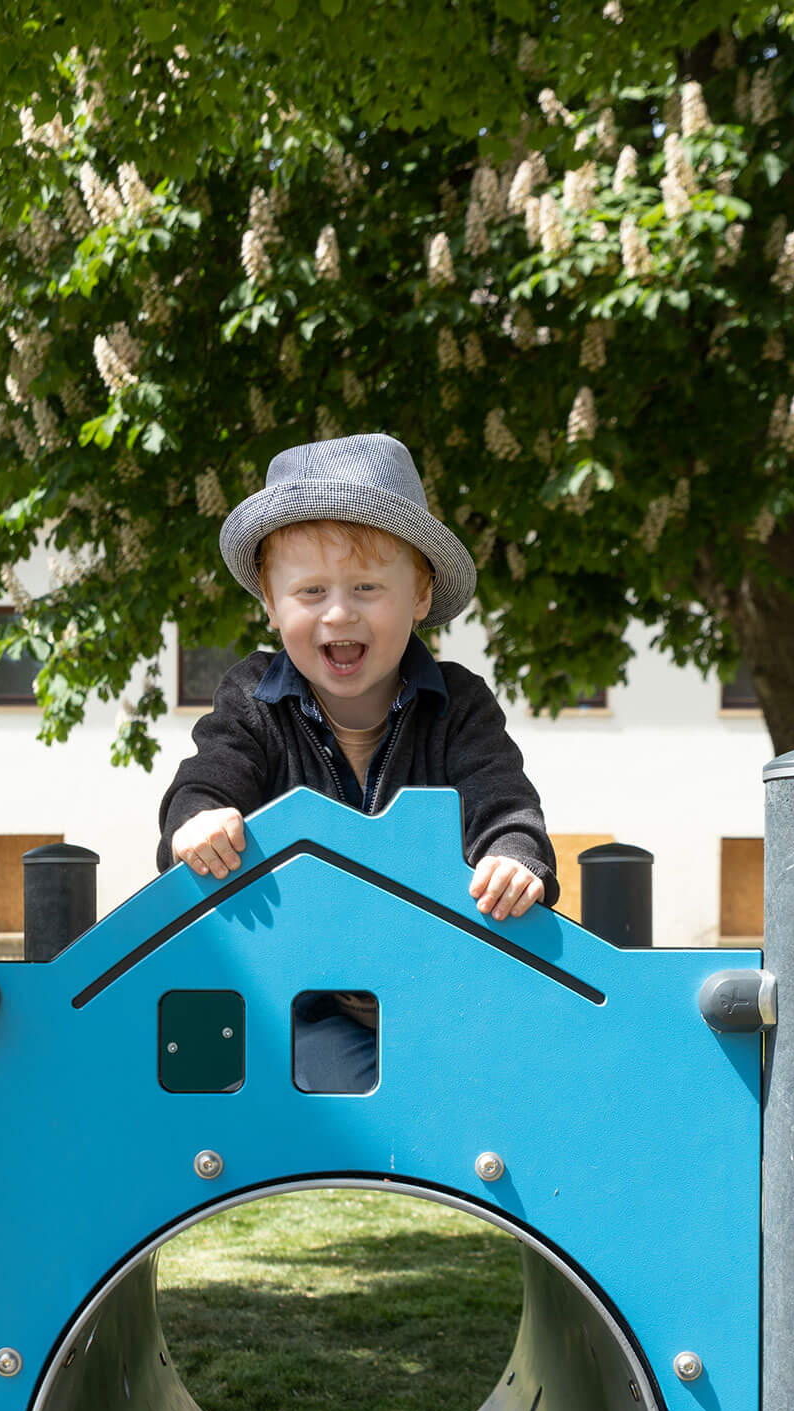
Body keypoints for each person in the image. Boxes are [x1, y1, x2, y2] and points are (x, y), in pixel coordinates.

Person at [156, 433, 558, 1091]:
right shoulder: (252, 699)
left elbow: (502, 798)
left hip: (441, 982)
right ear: (270, 602)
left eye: (368, 586)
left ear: (421, 595)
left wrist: (513, 857)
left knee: (508, 1072)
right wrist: (197, 820)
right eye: (310, 591)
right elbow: (208, 775)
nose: (339, 612)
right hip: (303, 994)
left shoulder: (459, 705)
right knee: (324, 1082)